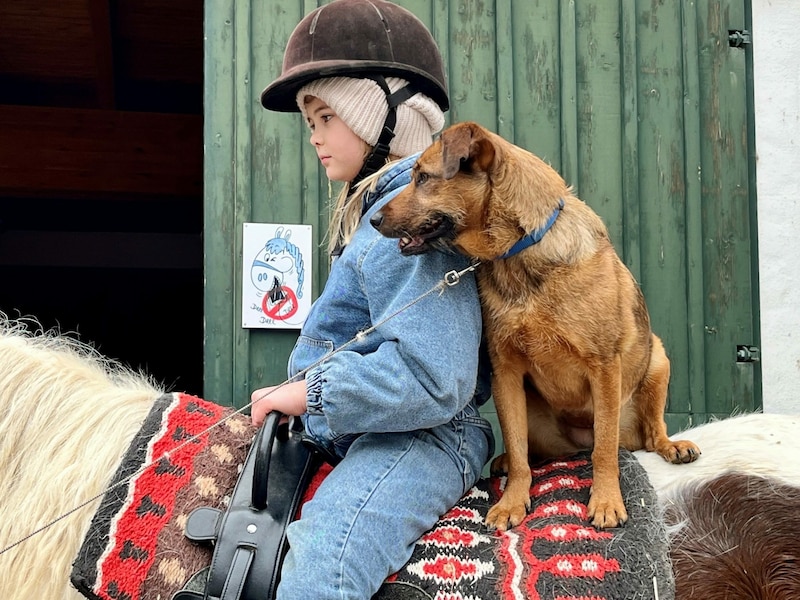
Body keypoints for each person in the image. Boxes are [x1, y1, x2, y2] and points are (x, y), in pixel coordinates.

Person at [251, 1, 495, 598]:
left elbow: (437, 377)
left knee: (322, 558)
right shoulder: (371, 219)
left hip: (426, 436)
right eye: (309, 122)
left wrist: (313, 392)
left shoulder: (411, 225)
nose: (314, 136)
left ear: (386, 116)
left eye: (327, 116)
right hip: (382, 430)